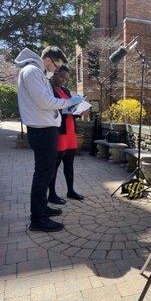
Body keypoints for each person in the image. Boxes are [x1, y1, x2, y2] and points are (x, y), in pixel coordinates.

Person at [15, 46, 83, 232]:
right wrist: (71, 101)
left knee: (45, 174)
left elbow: (45, 102)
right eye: (56, 65)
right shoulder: (32, 71)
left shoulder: (37, 72)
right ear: (48, 59)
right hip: (42, 131)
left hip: (45, 130)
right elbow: (44, 102)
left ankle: (42, 209)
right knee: (42, 174)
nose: (56, 69)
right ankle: (38, 219)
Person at [48, 65, 84, 204]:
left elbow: (70, 110)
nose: (64, 80)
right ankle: (52, 194)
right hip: (59, 133)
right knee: (54, 166)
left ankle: (71, 191)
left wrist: (78, 111)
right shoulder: (49, 90)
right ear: (55, 74)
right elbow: (53, 111)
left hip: (70, 132)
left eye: (66, 78)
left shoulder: (66, 90)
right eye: (62, 77)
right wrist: (66, 110)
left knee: (69, 165)